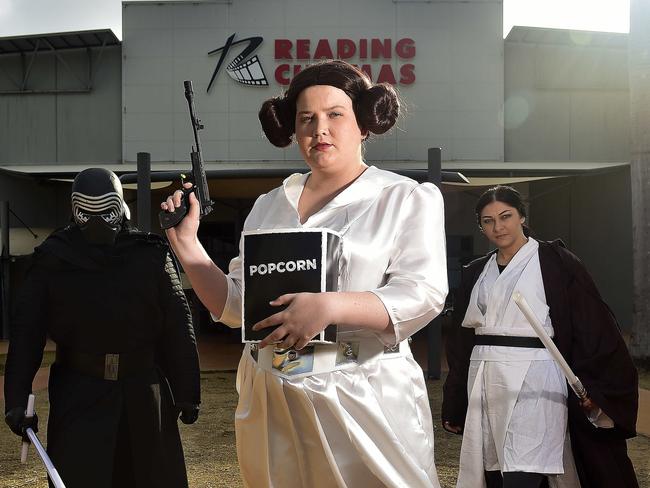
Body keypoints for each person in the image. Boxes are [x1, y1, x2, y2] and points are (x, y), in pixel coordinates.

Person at [161, 60, 448, 488]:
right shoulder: (268, 206)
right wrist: (187, 244)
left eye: (335, 114)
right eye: (306, 118)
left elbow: (423, 292)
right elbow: (239, 309)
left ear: (364, 123)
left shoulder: (403, 198)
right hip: (271, 399)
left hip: (362, 397)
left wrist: (330, 306)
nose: (320, 130)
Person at [4, 168, 201, 488]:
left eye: (105, 209)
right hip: (79, 395)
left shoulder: (149, 255)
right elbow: (28, 332)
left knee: (149, 476)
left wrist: (187, 389)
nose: (97, 221)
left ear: (120, 208)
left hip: (143, 395)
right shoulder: (53, 259)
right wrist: (16, 398)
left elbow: (177, 323)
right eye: (87, 210)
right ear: (74, 210)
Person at [441, 185, 638, 488]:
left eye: (505, 216)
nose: (498, 226)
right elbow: (461, 343)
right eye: (488, 220)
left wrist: (596, 389)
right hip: (486, 378)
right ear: (480, 226)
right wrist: (455, 400)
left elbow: (593, 326)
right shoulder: (477, 271)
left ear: (522, 216)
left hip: (536, 377)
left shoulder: (556, 262)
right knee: (496, 470)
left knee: (526, 466)